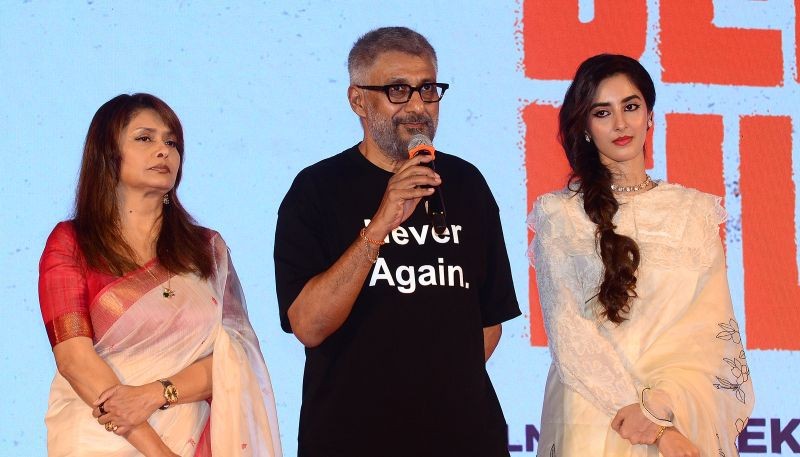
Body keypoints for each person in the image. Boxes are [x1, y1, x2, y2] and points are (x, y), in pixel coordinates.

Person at [274, 27, 521, 456]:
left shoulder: (466, 183)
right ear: (358, 101)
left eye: (428, 89)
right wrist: (378, 227)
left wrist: (430, 391)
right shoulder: (316, 190)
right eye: (398, 90)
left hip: (464, 437)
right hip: (351, 438)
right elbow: (309, 326)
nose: (418, 106)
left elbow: (488, 322)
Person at [527, 54, 754, 456]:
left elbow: (712, 334)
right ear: (584, 128)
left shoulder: (694, 212)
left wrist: (661, 409)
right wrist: (649, 422)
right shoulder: (559, 214)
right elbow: (570, 335)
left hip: (678, 410)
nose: (620, 124)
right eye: (602, 112)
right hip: (594, 415)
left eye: (630, 107)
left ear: (649, 116)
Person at [39, 93, 282, 456]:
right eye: (145, 138)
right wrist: (158, 451)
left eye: (172, 143)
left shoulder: (206, 250)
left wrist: (157, 393)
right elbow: (74, 360)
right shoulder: (72, 243)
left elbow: (234, 358)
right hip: (98, 440)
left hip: (193, 435)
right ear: (107, 153)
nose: (163, 151)